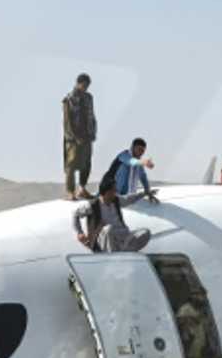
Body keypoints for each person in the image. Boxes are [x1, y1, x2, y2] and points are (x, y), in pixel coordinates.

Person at [73, 174, 156, 253]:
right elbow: (75, 214)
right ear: (107, 192)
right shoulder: (92, 205)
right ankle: (113, 255)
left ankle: (124, 251)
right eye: (114, 190)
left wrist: (145, 193)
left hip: (123, 235)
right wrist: (80, 232)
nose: (116, 192)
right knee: (109, 229)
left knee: (145, 232)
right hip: (104, 238)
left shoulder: (116, 201)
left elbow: (130, 199)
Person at [62, 73, 97, 201]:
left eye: (88, 85)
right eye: (84, 85)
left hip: (87, 136)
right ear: (78, 83)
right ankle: (70, 191)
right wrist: (74, 137)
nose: (86, 88)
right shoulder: (69, 99)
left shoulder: (89, 98)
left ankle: (82, 188)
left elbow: (92, 116)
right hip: (73, 138)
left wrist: (93, 133)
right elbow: (67, 121)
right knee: (71, 165)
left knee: (86, 164)